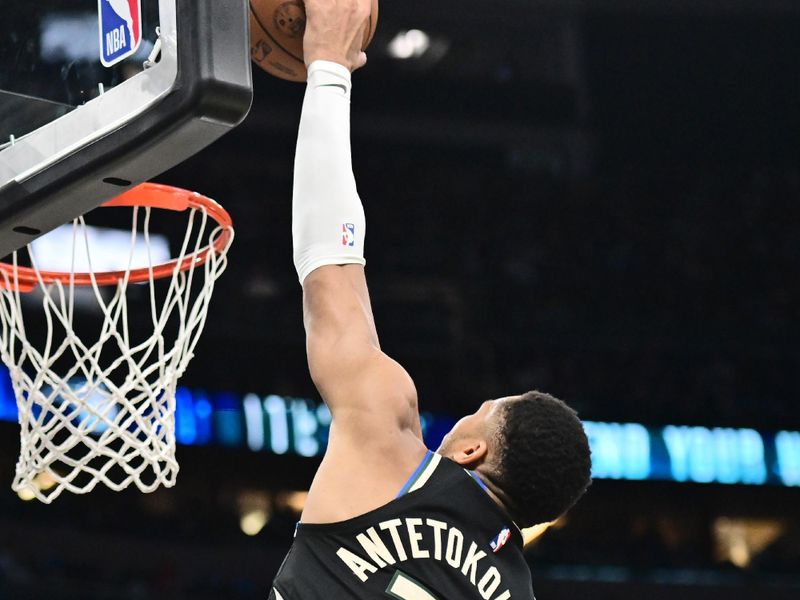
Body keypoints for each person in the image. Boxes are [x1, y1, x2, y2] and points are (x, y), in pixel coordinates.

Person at [270, 1, 592, 598]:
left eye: (480, 410)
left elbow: (330, 269)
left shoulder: (389, 442)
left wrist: (329, 66)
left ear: (472, 449)